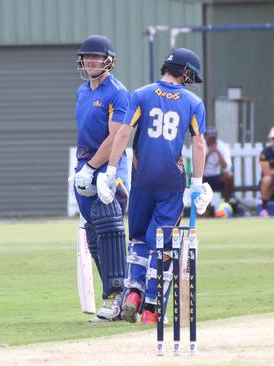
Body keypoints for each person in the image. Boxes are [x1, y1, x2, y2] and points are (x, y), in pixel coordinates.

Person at [96, 48, 212, 324]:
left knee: (137, 238)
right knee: (163, 245)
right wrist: (197, 183)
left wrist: (111, 172)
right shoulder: (193, 102)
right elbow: (198, 143)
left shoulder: (141, 94)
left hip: (142, 178)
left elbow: (123, 133)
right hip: (171, 181)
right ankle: (150, 307)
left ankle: (133, 291)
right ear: (184, 72)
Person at [73, 35, 130, 322]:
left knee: (110, 230)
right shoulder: (83, 91)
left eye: (97, 57)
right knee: (94, 238)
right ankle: (114, 296)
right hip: (85, 167)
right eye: (87, 57)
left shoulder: (117, 93)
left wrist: (92, 168)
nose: (91, 61)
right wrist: (82, 169)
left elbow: (117, 135)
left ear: (109, 60)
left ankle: (119, 296)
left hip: (109, 170)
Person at [203, 128, 234, 203]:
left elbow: (226, 167)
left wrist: (218, 152)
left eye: (214, 138)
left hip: (216, 176)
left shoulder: (222, 146)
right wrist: (208, 154)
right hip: (203, 177)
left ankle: (227, 202)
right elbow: (198, 167)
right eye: (210, 138)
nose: (212, 141)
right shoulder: (201, 146)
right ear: (206, 138)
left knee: (229, 177)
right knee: (192, 177)